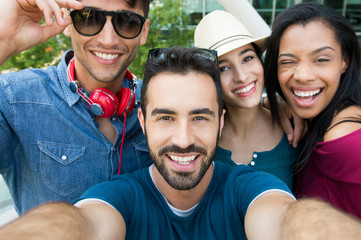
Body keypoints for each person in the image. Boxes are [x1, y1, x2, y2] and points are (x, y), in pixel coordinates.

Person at [1, 47, 361, 240]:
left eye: (200, 117)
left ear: (221, 123)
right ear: (142, 121)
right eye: (166, 117)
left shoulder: (250, 187)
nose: (184, 140)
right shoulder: (119, 197)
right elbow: (80, 225)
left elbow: (288, 221)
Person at [0, 0, 153, 215]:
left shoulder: (159, 106)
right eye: (89, 19)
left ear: (143, 31)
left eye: (127, 22)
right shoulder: (13, 99)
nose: (108, 40)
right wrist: (4, 42)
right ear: (68, 22)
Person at [264, 2, 361, 219]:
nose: (303, 75)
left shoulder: (346, 140)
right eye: (287, 62)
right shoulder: (319, 120)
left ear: (344, 61)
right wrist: (276, 103)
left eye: (321, 60)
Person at [194, 10, 300, 189]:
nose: (241, 77)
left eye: (248, 58)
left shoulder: (295, 127)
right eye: (223, 68)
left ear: (261, 61)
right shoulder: (199, 141)